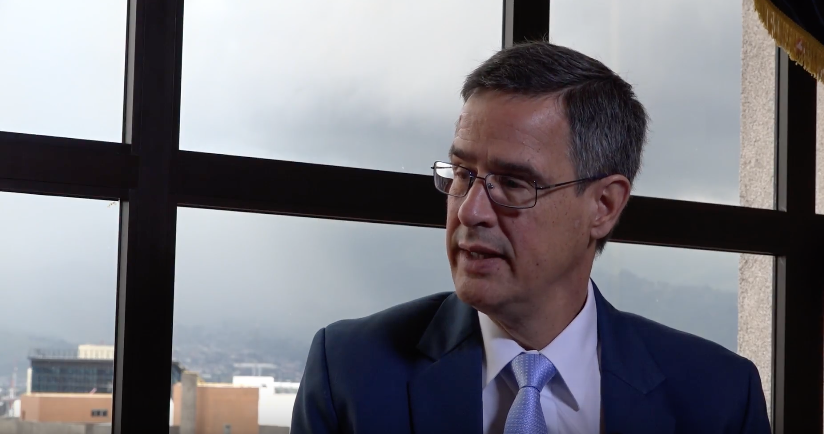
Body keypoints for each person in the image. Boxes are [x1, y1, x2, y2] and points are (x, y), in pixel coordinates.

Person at [291, 42, 770, 434]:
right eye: (462, 174)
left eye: (514, 183)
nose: (470, 211)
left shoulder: (719, 397)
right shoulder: (350, 372)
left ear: (604, 206)